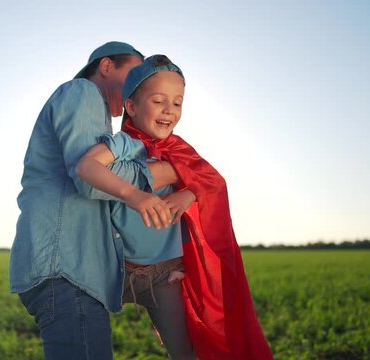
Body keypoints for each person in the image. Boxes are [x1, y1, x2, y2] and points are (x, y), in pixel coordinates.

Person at [77, 54, 273, 359]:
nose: (170, 110)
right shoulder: (124, 145)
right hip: (112, 269)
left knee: (186, 353)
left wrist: (189, 194)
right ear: (131, 107)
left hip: (164, 274)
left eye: (178, 103)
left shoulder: (180, 149)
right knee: (85, 343)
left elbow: (212, 182)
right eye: (158, 101)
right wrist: (135, 194)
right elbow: (87, 167)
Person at [9, 42, 181, 360]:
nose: (141, 83)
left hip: (66, 267)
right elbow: (90, 178)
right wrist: (172, 171)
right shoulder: (83, 92)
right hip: (65, 266)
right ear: (105, 67)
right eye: (135, 72)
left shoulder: (99, 119)